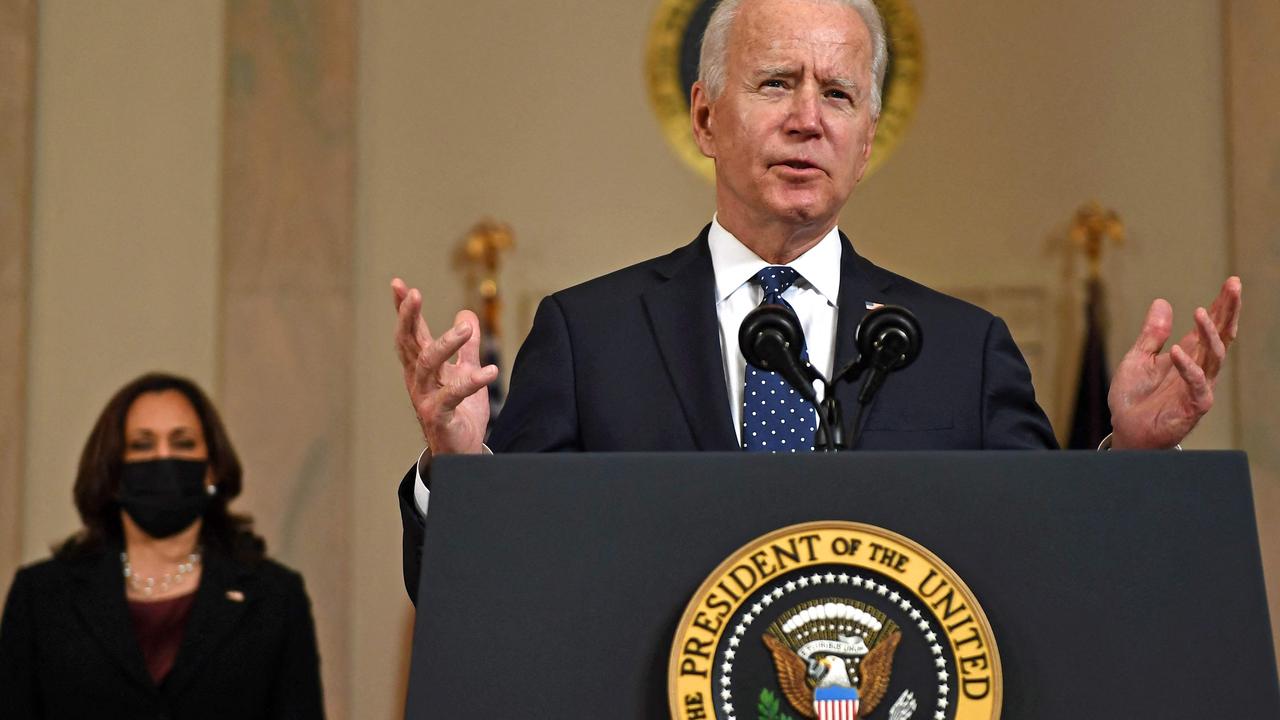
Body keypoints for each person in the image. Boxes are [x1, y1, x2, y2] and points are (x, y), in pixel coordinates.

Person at [390, 0, 1241, 601]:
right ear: (705, 116)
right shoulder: (589, 336)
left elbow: (1049, 578)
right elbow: (484, 599)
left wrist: (1130, 459)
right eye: (774, 84)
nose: (808, 119)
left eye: (837, 94)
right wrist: (462, 478)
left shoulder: (960, 348)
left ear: (866, 142)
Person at [0, 373, 325, 719]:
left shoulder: (273, 596)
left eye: (183, 444)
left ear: (212, 469)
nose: (163, 458)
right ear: (113, 471)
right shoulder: (42, 596)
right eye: (142, 445)